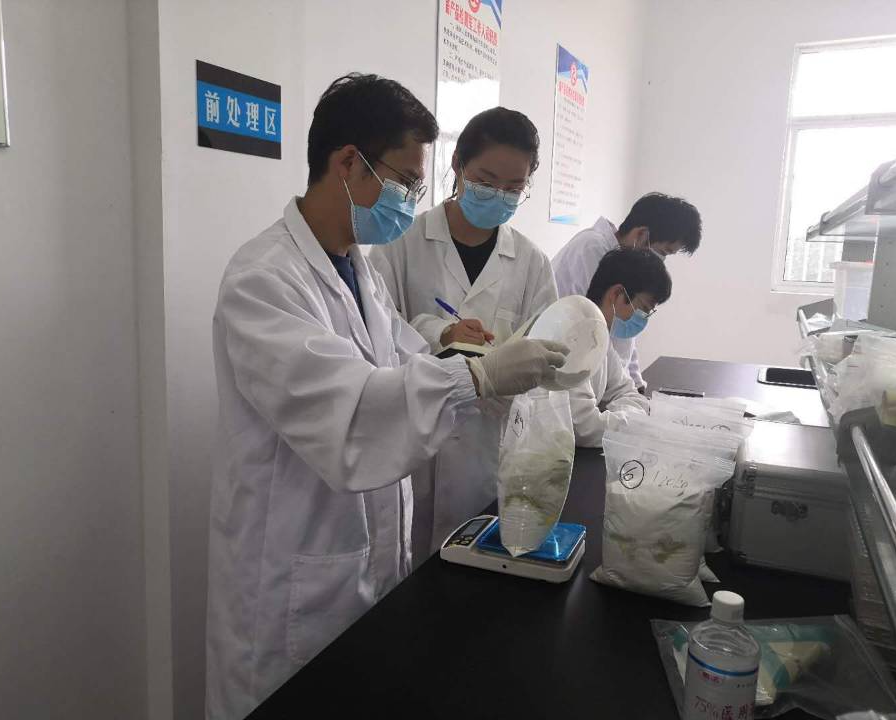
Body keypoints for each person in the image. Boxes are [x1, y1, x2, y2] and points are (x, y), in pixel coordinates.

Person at [204, 73, 567, 719]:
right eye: (405, 181)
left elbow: (405, 360)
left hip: (363, 564)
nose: (410, 200)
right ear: (348, 163)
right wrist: (480, 376)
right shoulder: (264, 280)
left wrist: (471, 357)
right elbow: (351, 413)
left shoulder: (357, 271)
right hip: (293, 580)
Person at [372, 107, 557, 557]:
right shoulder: (401, 242)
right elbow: (374, 340)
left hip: (492, 453)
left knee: (480, 570)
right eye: (487, 181)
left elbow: (547, 364)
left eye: (513, 188)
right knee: (410, 573)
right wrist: (440, 333)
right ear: (457, 164)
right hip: (415, 451)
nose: (499, 196)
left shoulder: (532, 263)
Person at [551, 193, 701, 390]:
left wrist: (636, 384)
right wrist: (626, 387)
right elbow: (598, 326)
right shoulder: (592, 249)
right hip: (571, 372)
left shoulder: (623, 259)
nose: (660, 261)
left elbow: (623, 331)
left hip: (605, 379)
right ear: (641, 235)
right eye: (663, 252)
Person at [570, 247, 672, 446]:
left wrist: (623, 417)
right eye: (643, 309)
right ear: (617, 294)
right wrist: (630, 420)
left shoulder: (600, 337)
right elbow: (584, 427)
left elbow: (629, 393)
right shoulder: (573, 336)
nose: (642, 320)